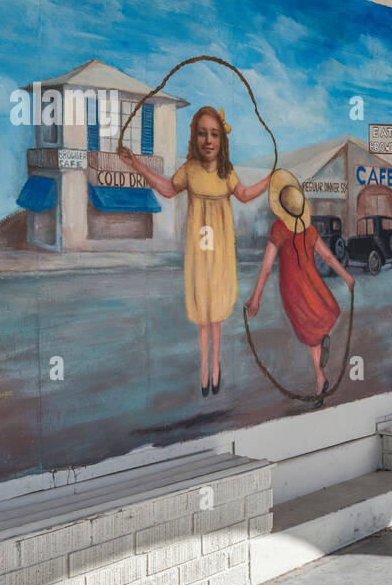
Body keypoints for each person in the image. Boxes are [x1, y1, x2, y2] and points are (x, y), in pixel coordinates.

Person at [119, 105, 269, 398]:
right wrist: (137, 165)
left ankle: (216, 365)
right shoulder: (189, 170)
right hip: (199, 249)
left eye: (214, 134)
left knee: (216, 310)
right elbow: (167, 188)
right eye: (203, 134)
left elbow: (245, 194)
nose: (209, 140)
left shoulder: (227, 172)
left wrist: (272, 178)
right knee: (202, 309)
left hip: (221, 250)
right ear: (194, 137)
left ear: (222, 140)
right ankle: (204, 367)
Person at [244, 169, 354, 403]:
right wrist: (346, 276)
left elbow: (266, 267)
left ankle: (320, 377)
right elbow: (328, 257)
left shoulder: (279, 229)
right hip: (312, 282)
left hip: (292, 289)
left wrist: (256, 299)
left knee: (310, 334)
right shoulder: (310, 230)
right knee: (319, 323)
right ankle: (320, 378)